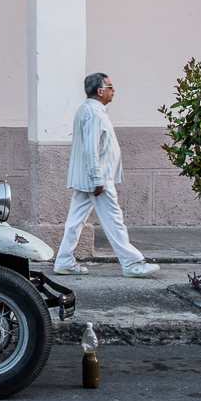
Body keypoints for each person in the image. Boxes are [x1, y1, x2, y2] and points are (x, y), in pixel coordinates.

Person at [52, 72, 160, 278]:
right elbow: (91, 148)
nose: (113, 90)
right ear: (100, 91)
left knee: (75, 221)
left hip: (87, 178)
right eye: (110, 86)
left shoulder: (89, 111)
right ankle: (132, 262)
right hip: (97, 180)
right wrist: (97, 178)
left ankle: (64, 260)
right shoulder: (94, 113)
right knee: (113, 220)